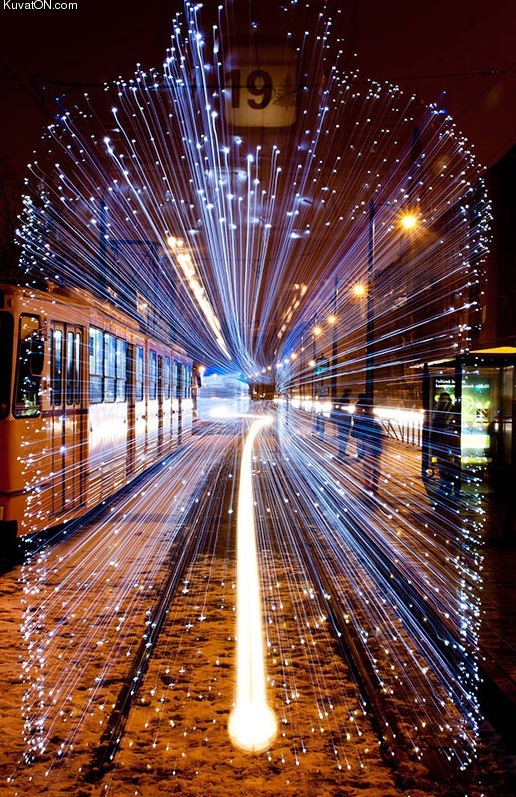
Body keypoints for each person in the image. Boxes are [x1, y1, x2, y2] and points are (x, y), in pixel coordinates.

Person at [360, 402, 384, 495]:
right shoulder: (375, 423)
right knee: (375, 465)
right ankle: (373, 483)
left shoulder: (366, 422)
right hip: (375, 446)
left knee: (368, 466)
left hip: (369, 446)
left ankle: (369, 483)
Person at [332, 389, 352, 460]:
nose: (350, 394)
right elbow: (343, 410)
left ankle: (342, 452)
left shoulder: (345, 400)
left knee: (344, 438)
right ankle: (341, 453)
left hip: (344, 422)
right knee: (343, 438)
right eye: (350, 392)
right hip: (344, 422)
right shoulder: (344, 400)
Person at [351, 393, 369, 459]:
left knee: (358, 440)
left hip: (357, 424)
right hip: (363, 424)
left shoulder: (357, 403)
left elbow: (355, 414)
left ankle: (359, 453)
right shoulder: (366, 405)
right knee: (364, 439)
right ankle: (362, 453)